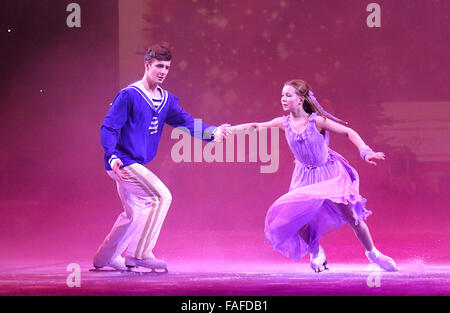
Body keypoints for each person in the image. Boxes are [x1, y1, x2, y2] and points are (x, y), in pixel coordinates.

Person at [231, 79, 397, 273]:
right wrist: (228, 130)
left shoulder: (316, 121)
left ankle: (373, 254)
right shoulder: (283, 123)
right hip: (303, 175)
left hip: (329, 172)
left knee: (351, 216)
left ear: (301, 99)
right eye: (282, 95)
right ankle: (316, 250)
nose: (283, 99)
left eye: (288, 95)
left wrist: (365, 151)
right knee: (294, 216)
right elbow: (257, 126)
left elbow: (347, 131)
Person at [93, 44, 231, 272]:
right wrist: (112, 155)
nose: (163, 71)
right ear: (147, 65)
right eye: (159, 66)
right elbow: (109, 128)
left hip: (133, 163)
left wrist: (213, 133)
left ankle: (104, 258)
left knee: (134, 214)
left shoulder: (165, 100)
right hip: (123, 162)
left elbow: (187, 122)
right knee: (160, 196)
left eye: (167, 67)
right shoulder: (130, 95)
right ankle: (139, 254)